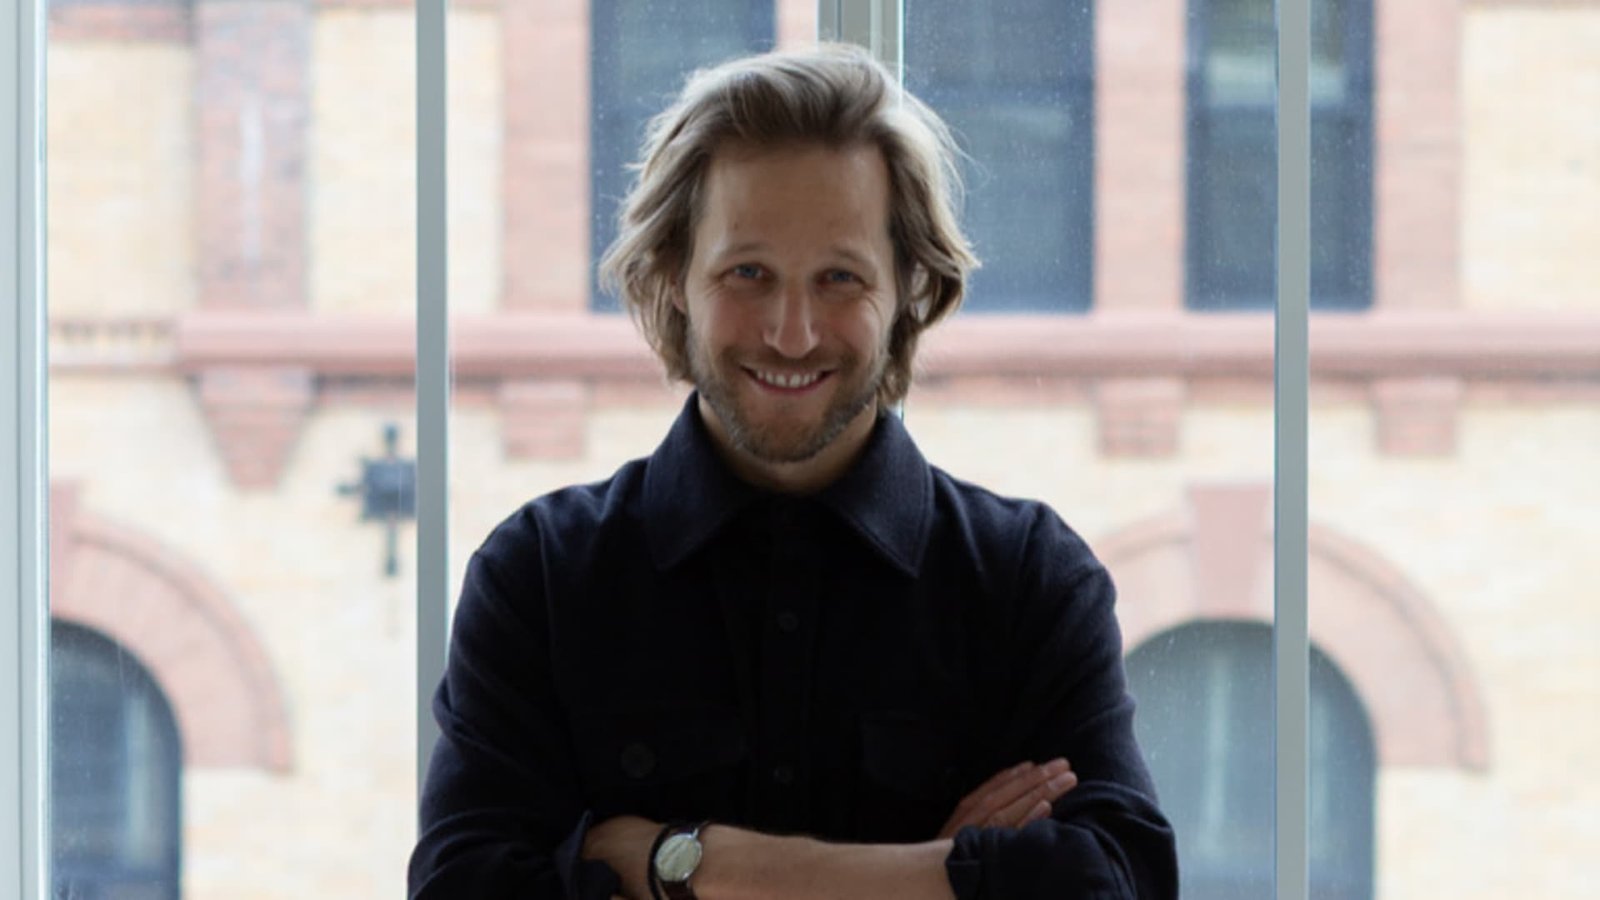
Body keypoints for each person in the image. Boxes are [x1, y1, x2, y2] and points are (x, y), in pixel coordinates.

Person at [408, 43, 1177, 900]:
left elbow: (1119, 881)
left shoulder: (1029, 580)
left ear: (909, 286)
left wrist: (681, 863)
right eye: (748, 273)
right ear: (674, 275)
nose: (792, 333)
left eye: (840, 278)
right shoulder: (541, 578)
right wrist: (943, 875)